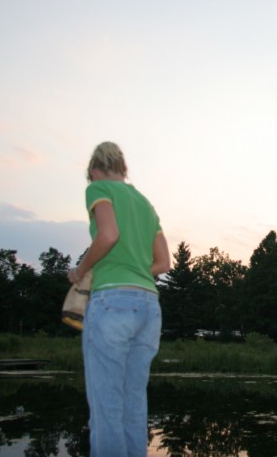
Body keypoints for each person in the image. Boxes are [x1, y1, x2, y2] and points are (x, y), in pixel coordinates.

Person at [68, 141, 170, 457]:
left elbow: (108, 235)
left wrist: (81, 270)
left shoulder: (98, 188)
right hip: (149, 307)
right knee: (133, 402)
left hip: (112, 303)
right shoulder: (145, 204)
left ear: (95, 171)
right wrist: (135, 271)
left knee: (106, 406)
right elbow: (163, 263)